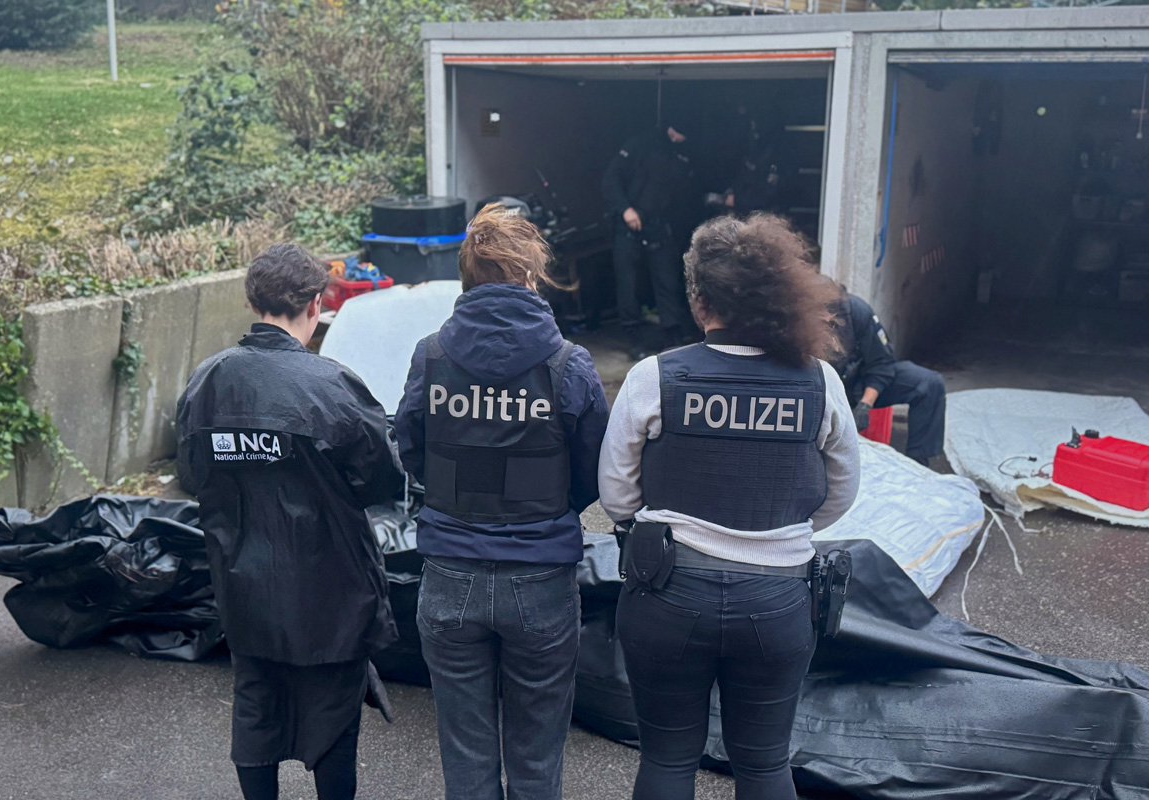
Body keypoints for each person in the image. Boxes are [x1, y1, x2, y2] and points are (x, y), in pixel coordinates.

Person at [599, 213, 860, 800]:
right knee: (764, 765)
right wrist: (781, 530)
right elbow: (841, 489)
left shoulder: (653, 376)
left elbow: (616, 494)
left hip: (666, 594)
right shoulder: (819, 381)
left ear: (699, 300)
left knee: (667, 760)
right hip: (778, 602)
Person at [394, 204, 610, 800]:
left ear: (466, 278)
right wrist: (547, 508)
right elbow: (595, 471)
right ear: (531, 277)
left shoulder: (431, 355)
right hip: (540, 576)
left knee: (466, 759)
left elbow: (410, 448)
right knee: (536, 761)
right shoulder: (569, 364)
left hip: (449, 574)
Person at [175, 244, 403, 800]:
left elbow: (191, 474)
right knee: (334, 714)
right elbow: (382, 479)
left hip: (244, 586)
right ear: (316, 304)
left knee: (256, 707)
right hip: (330, 590)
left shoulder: (207, 382)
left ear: (253, 301)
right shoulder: (332, 385)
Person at [601, 123, 693, 360]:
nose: (680, 138)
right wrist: (625, 209)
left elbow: (682, 195)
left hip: (659, 226)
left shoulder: (681, 154)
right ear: (671, 128)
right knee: (628, 284)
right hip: (628, 224)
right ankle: (634, 337)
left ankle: (672, 334)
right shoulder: (639, 144)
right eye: (679, 133)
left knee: (667, 280)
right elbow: (610, 180)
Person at [831, 290, 946, 466]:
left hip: (857, 386)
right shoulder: (797, 319)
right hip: (822, 393)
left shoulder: (855, 310)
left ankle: (918, 464)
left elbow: (881, 362)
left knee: (929, 383)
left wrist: (865, 405)